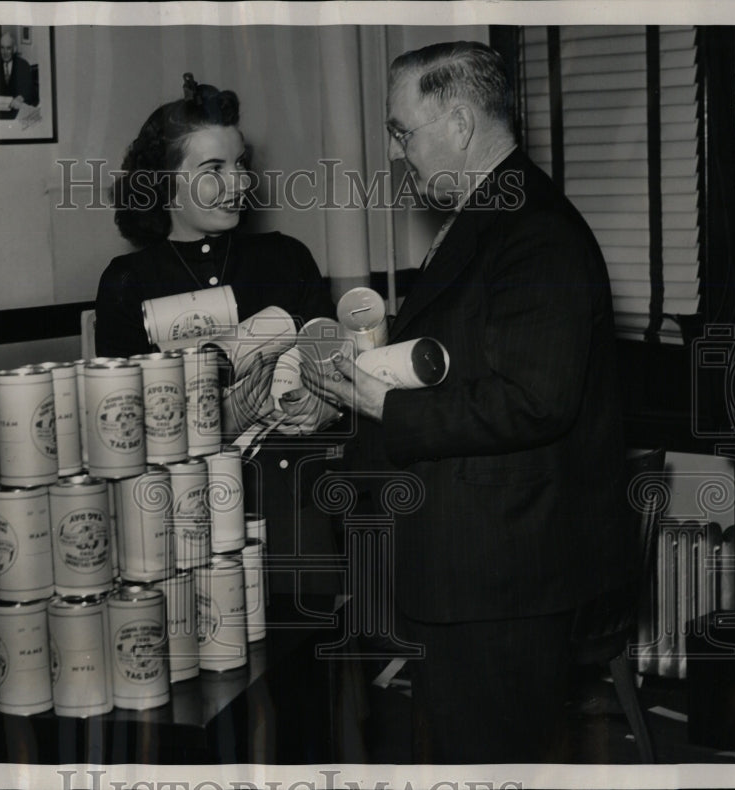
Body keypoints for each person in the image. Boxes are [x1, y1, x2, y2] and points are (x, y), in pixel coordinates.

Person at [302, 41, 628, 763]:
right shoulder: (495, 216)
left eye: (402, 131)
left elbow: (535, 400)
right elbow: (475, 365)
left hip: (502, 581)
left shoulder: (535, 231)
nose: (399, 152)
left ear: (456, 120)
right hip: (473, 571)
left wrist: (386, 407)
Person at [95, 73, 341, 597]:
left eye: (240, 165)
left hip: (293, 517)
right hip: (182, 527)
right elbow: (124, 432)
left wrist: (326, 405)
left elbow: (333, 366)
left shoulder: (286, 258)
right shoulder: (129, 283)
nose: (237, 183)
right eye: (212, 169)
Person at [0, 32, 37, 113]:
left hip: (16, 112)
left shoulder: (23, 65)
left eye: (8, 48)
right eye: (2, 48)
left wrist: (20, 98)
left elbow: (31, 91)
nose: (5, 52)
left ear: (14, 49)